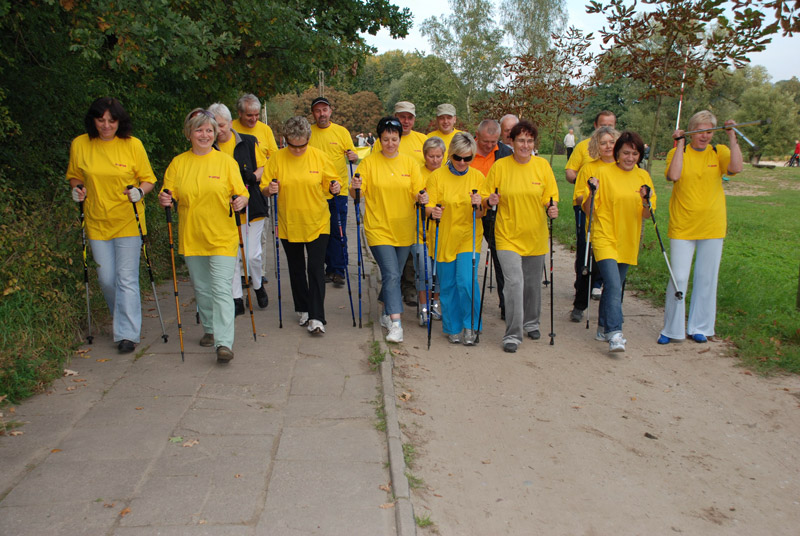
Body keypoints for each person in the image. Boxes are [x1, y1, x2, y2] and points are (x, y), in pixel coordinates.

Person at [67, 97, 157, 354]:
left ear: (120, 122)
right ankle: (122, 318)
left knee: (126, 277)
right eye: (100, 120)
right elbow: (75, 176)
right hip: (97, 220)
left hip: (128, 219)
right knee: (106, 279)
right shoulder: (81, 144)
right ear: (93, 121)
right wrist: (77, 190)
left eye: (111, 121)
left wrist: (140, 191)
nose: (106, 126)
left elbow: (148, 179)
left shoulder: (132, 145)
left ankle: (127, 334)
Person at [159, 109, 249, 363]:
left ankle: (223, 342)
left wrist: (241, 199)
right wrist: (165, 198)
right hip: (193, 236)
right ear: (189, 133)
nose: (205, 134)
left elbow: (242, 192)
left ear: (216, 133)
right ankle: (209, 328)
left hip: (222, 236)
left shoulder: (226, 163)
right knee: (202, 289)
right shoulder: (178, 163)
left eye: (209, 130)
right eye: (199, 130)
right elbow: (169, 193)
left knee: (221, 288)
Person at [658, 111, 743, 345]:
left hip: (713, 225)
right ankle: (672, 329)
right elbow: (674, 175)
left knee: (707, 278)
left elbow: (736, 168)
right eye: (700, 131)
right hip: (683, 225)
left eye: (709, 131)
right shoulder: (677, 153)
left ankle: (701, 326)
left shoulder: (720, 152)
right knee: (680, 278)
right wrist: (679, 145)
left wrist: (732, 137)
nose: (704, 136)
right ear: (691, 131)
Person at [482, 120, 559, 353]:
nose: (525, 145)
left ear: (534, 143)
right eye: (521, 140)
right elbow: (486, 195)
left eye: (529, 141)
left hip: (535, 235)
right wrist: (489, 200)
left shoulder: (542, 166)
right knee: (514, 283)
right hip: (507, 235)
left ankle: (532, 321)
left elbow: (551, 195)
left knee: (533, 286)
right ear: (511, 142)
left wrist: (551, 207)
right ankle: (512, 335)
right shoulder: (500, 166)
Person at [578, 131, 655, 353]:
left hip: (628, 238)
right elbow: (587, 209)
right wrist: (592, 192)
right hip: (604, 236)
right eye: (626, 153)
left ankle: (602, 327)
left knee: (615, 286)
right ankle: (615, 332)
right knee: (611, 284)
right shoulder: (602, 172)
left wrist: (646, 200)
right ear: (617, 153)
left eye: (635, 153)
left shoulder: (643, 177)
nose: (630, 158)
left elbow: (648, 214)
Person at [351, 117, 426, 343]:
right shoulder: (369, 163)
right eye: (386, 139)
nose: (390, 143)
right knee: (392, 274)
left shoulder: (410, 164)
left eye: (394, 139)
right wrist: (355, 188)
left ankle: (385, 310)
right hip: (378, 228)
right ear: (379, 140)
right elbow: (357, 194)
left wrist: (422, 197)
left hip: (404, 229)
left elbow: (417, 191)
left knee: (394, 274)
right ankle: (396, 323)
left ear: (399, 140)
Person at [262, 116, 339, 335]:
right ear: (285, 140)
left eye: (302, 145)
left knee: (315, 268)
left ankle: (317, 316)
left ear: (308, 139)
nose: (297, 150)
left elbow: (332, 183)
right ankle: (303, 308)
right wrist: (270, 189)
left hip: (317, 222)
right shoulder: (277, 159)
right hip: (289, 222)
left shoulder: (320, 157)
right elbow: (264, 187)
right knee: (296, 268)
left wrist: (335, 187)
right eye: (292, 145)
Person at [208, 103, 269, 315]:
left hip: (252, 206)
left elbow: (263, 167)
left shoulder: (248, 142)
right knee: (231, 256)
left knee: (251, 255)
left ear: (230, 123)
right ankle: (236, 298)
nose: (218, 130)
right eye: (213, 125)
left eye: (222, 125)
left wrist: (254, 176)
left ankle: (258, 285)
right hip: (224, 210)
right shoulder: (209, 147)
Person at [426, 133, 486, 345]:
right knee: (449, 285)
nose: (462, 162)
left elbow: (481, 213)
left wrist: (479, 204)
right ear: (450, 155)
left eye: (467, 158)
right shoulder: (437, 177)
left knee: (466, 282)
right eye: (457, 157)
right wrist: (433, 211)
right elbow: (428, 206)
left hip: (468, 238)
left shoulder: (478, 177)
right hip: (443, 237)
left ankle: (471, 325)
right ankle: (453, 326)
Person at [566, 110, 618, 318]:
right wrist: (590, 194)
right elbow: (577, 190)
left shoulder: (623, 166)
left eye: (612, 141)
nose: (608, 146)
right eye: (604, 142)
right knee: (586, 257)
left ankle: (610, 314)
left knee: (611, 267)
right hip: (591, 218)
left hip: (615, 221)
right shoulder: (586, 159)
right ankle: (580, 304)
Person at [308, 96, 357, 287]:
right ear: (313, 113)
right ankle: (325, 268)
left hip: (339, 191)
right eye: (318, 111)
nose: (322, 114)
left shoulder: (341, 132)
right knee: (320, 233)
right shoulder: (309, 133)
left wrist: (353, 156)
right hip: (314, 192)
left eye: (324, 110)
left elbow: (352, 155)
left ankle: (338, 269)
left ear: (331, 111)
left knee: (338, 231)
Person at [471, 119, 513, 320]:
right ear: (476, 135)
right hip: (468, 209)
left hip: (495, 212)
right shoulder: (466, 151)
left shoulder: (505, 153)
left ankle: (506, 305)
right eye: (485, 141)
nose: (489, 146)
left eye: (493, 141)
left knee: (500, 257)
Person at [374, 101, 427, 167]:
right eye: (402, 117)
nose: (406, 121)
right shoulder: (383, 142)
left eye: (410, 118)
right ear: (395, 117)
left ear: (414, 119)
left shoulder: (424, 139)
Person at [231, 94, 279, 162]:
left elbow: (274, 157)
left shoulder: (265, 129)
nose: (254, 119)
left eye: (256, 115)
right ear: (240, 113)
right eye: (249, 115)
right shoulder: (230, 128)